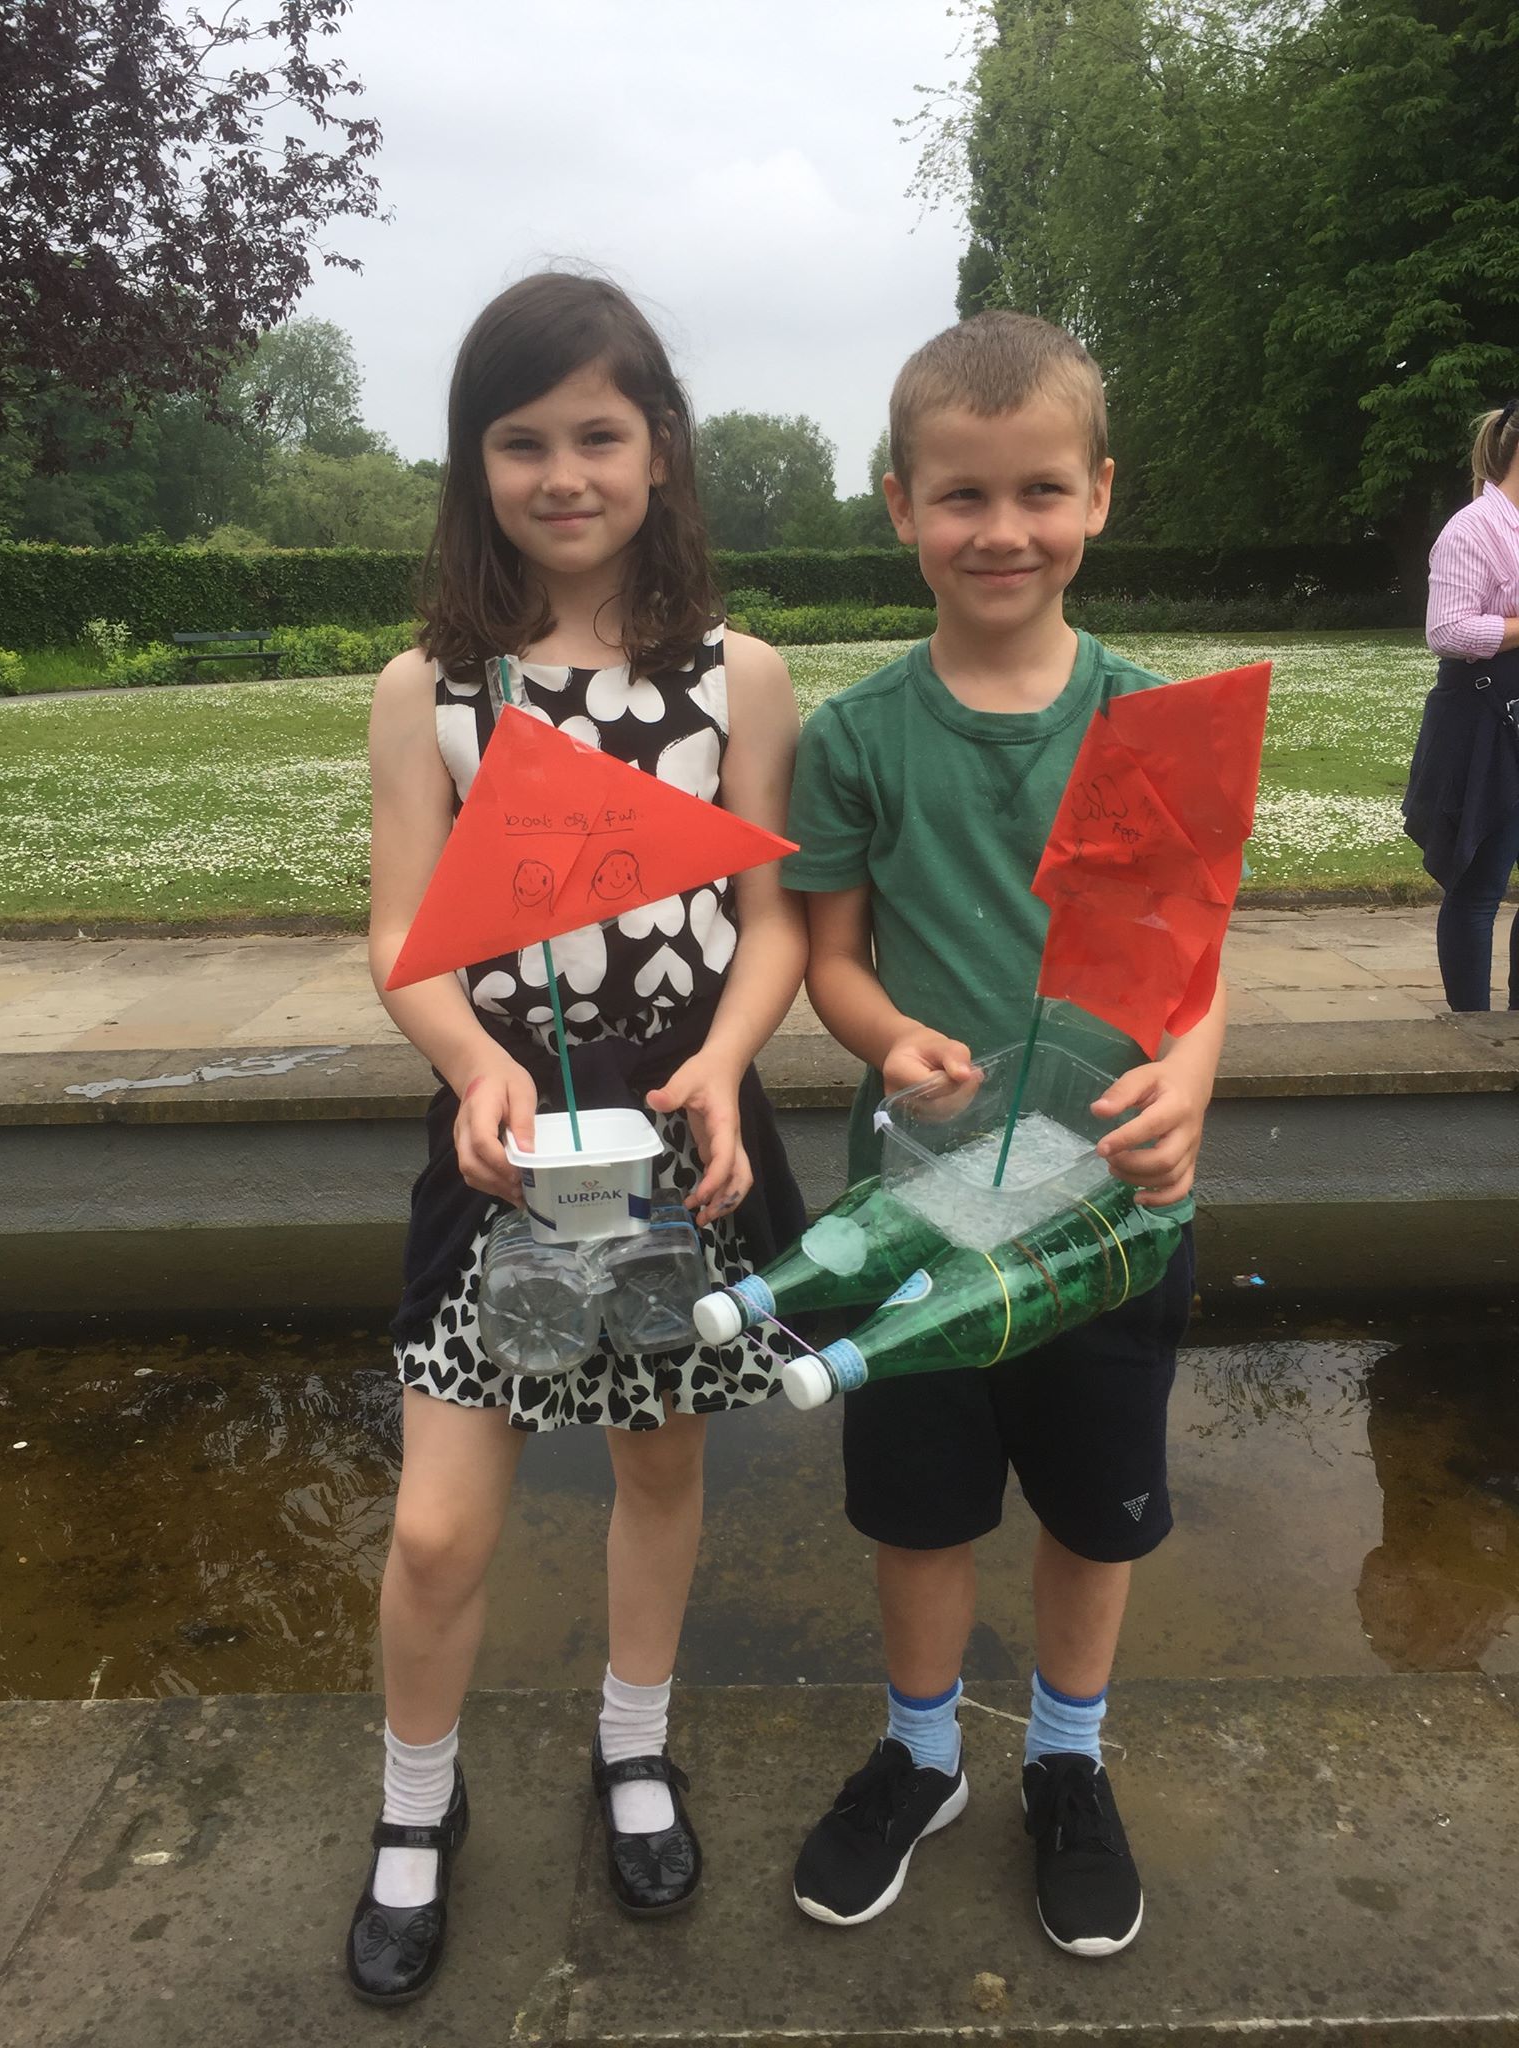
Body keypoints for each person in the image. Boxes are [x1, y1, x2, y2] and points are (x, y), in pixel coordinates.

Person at [348, 272, 807, 2005]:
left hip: (684, 1121)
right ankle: (416, 1802)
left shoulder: (737, 677)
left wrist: (730, 1061)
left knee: (660, 1459)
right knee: (442, 1529)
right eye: (522, 438)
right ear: (475, 465)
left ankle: (636, 1740)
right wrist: (473, 1061)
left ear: (661, 450)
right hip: (505, 1139)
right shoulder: (429, 689)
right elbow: (408, 939)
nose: (564, 472)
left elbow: (768, 919)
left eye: (598, 434)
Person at [779, 310, 1223, 1958]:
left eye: (1040, 488)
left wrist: (1190, 1080)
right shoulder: (852, 738)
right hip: (920, 1213)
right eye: (960, 494)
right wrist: (884, 1029)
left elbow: (1195, 960)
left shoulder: (1154, 725)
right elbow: (824, 948)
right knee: (917, 1510)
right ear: (896, 502)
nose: (1002, 528)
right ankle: (917, 1753)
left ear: (1100, 495)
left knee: (1098, 1510)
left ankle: (1063, 1757)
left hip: (1113, 1211)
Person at [1403, 402, 1519, 1012]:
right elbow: (1447, 631)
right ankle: (1472, 1037)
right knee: (1479, 888)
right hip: (1483, 725)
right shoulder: (1472, 528)